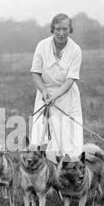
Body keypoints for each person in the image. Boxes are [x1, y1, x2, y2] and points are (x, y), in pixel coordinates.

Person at [30, 13, 83, 163]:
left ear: (70, 29)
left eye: (65, 29)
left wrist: (56, 96)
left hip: (67, 96)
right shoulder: (42, 46)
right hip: (44, 95)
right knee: (42, 135)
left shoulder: (76, 50)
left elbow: (71, 79)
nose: (61, 33)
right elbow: (35, 73)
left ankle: (70, 169)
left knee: (68, 137)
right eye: (58, 29)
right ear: (52, 29)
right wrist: (44, 91)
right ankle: (47, 171)